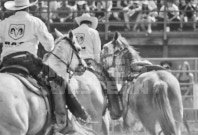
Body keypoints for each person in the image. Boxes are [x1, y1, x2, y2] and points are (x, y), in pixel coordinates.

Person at [0, 0, 89, 133]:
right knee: (58, 81)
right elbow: (49, 46)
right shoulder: (35, 22)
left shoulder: (4, 23)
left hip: (6, 62)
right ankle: (64, 119)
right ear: (29, 8)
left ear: (14, 9)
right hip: (28, 61)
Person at [72, 13, 123, 117]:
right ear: (90, 23)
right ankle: (114, 110)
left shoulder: (73, 32)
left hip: (74, 64)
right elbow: (97, 52)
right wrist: (99, 65)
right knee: (110, 80)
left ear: (81, 22)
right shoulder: (93, 32)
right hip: (89, 63)